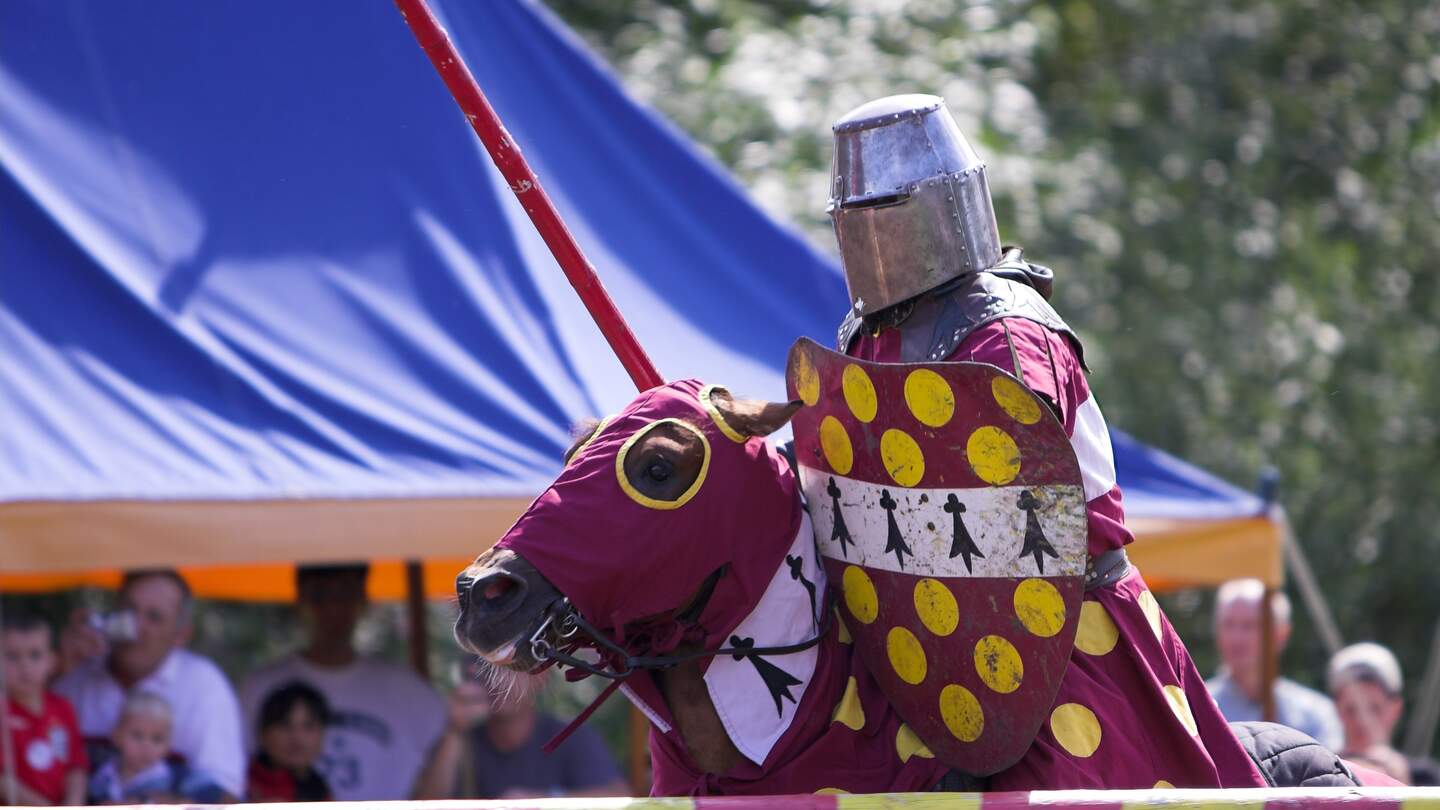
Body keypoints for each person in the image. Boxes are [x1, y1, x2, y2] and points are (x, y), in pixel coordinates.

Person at [827, 94, 1265, 789]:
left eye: (881, 212)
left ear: (935, 204)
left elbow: (1012, 498)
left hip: (1058, 636)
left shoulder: (1005, 330)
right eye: (852, 215)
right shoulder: (870, 334)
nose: (867, 233)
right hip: (921, 642)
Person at [239, 563, 445, 800]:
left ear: (363, 599)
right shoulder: (259, 687)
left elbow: (447, 771)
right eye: (320, 594)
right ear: (301, 600)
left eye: (345, 593)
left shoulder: (410, 691)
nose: (333, 607)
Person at [54, 569, 245, 798]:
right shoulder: (75, 674)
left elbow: (225, 796)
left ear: (181, 634)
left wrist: (146, 802)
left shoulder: (205, 688)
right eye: (128, 611)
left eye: (154, 617)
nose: (136, 627)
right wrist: (54, 671)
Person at [413, 670, 625, 800]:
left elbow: (619, 796)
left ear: (540, 678)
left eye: (511, 669)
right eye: (489, 669)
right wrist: (454, 730)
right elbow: (428, 802)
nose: (499, 681)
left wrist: (543, 802)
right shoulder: (462, 740)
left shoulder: (570, 737)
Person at [1205, 578, 1342, 750]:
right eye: (1228, 624)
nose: (1236, 637)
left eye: (1249, 625)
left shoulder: (1315, 714)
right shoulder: (1195, 709)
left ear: (1281, 635)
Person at [1, 612, 87, 806]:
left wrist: (74, 803)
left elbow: (76, 766)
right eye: (12, 656)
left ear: (51, 661)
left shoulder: (63, 708)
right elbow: (3, 781)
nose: (25, 666)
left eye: (35, 655)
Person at [1328, 642, 1440, 785]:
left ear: (1396, 708)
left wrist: (1405, 787)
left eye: (1374, 709)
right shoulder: (1318, 772)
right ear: (1337, 709)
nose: (1362, 720)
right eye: (1351, 709)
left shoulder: (1428, 779)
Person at [86, 691, 225, 804]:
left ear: (168, 745)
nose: (146, 746)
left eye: (157, 739)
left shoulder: (177, 776)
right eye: (137, 735)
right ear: (116, 735)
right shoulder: (99, 773)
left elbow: (214, 795)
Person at [246, 681, 333, 801]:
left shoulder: (319, 789)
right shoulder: (240, 784)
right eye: (285, 725)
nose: (297, 737)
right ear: (263, 733)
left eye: (308, 726)